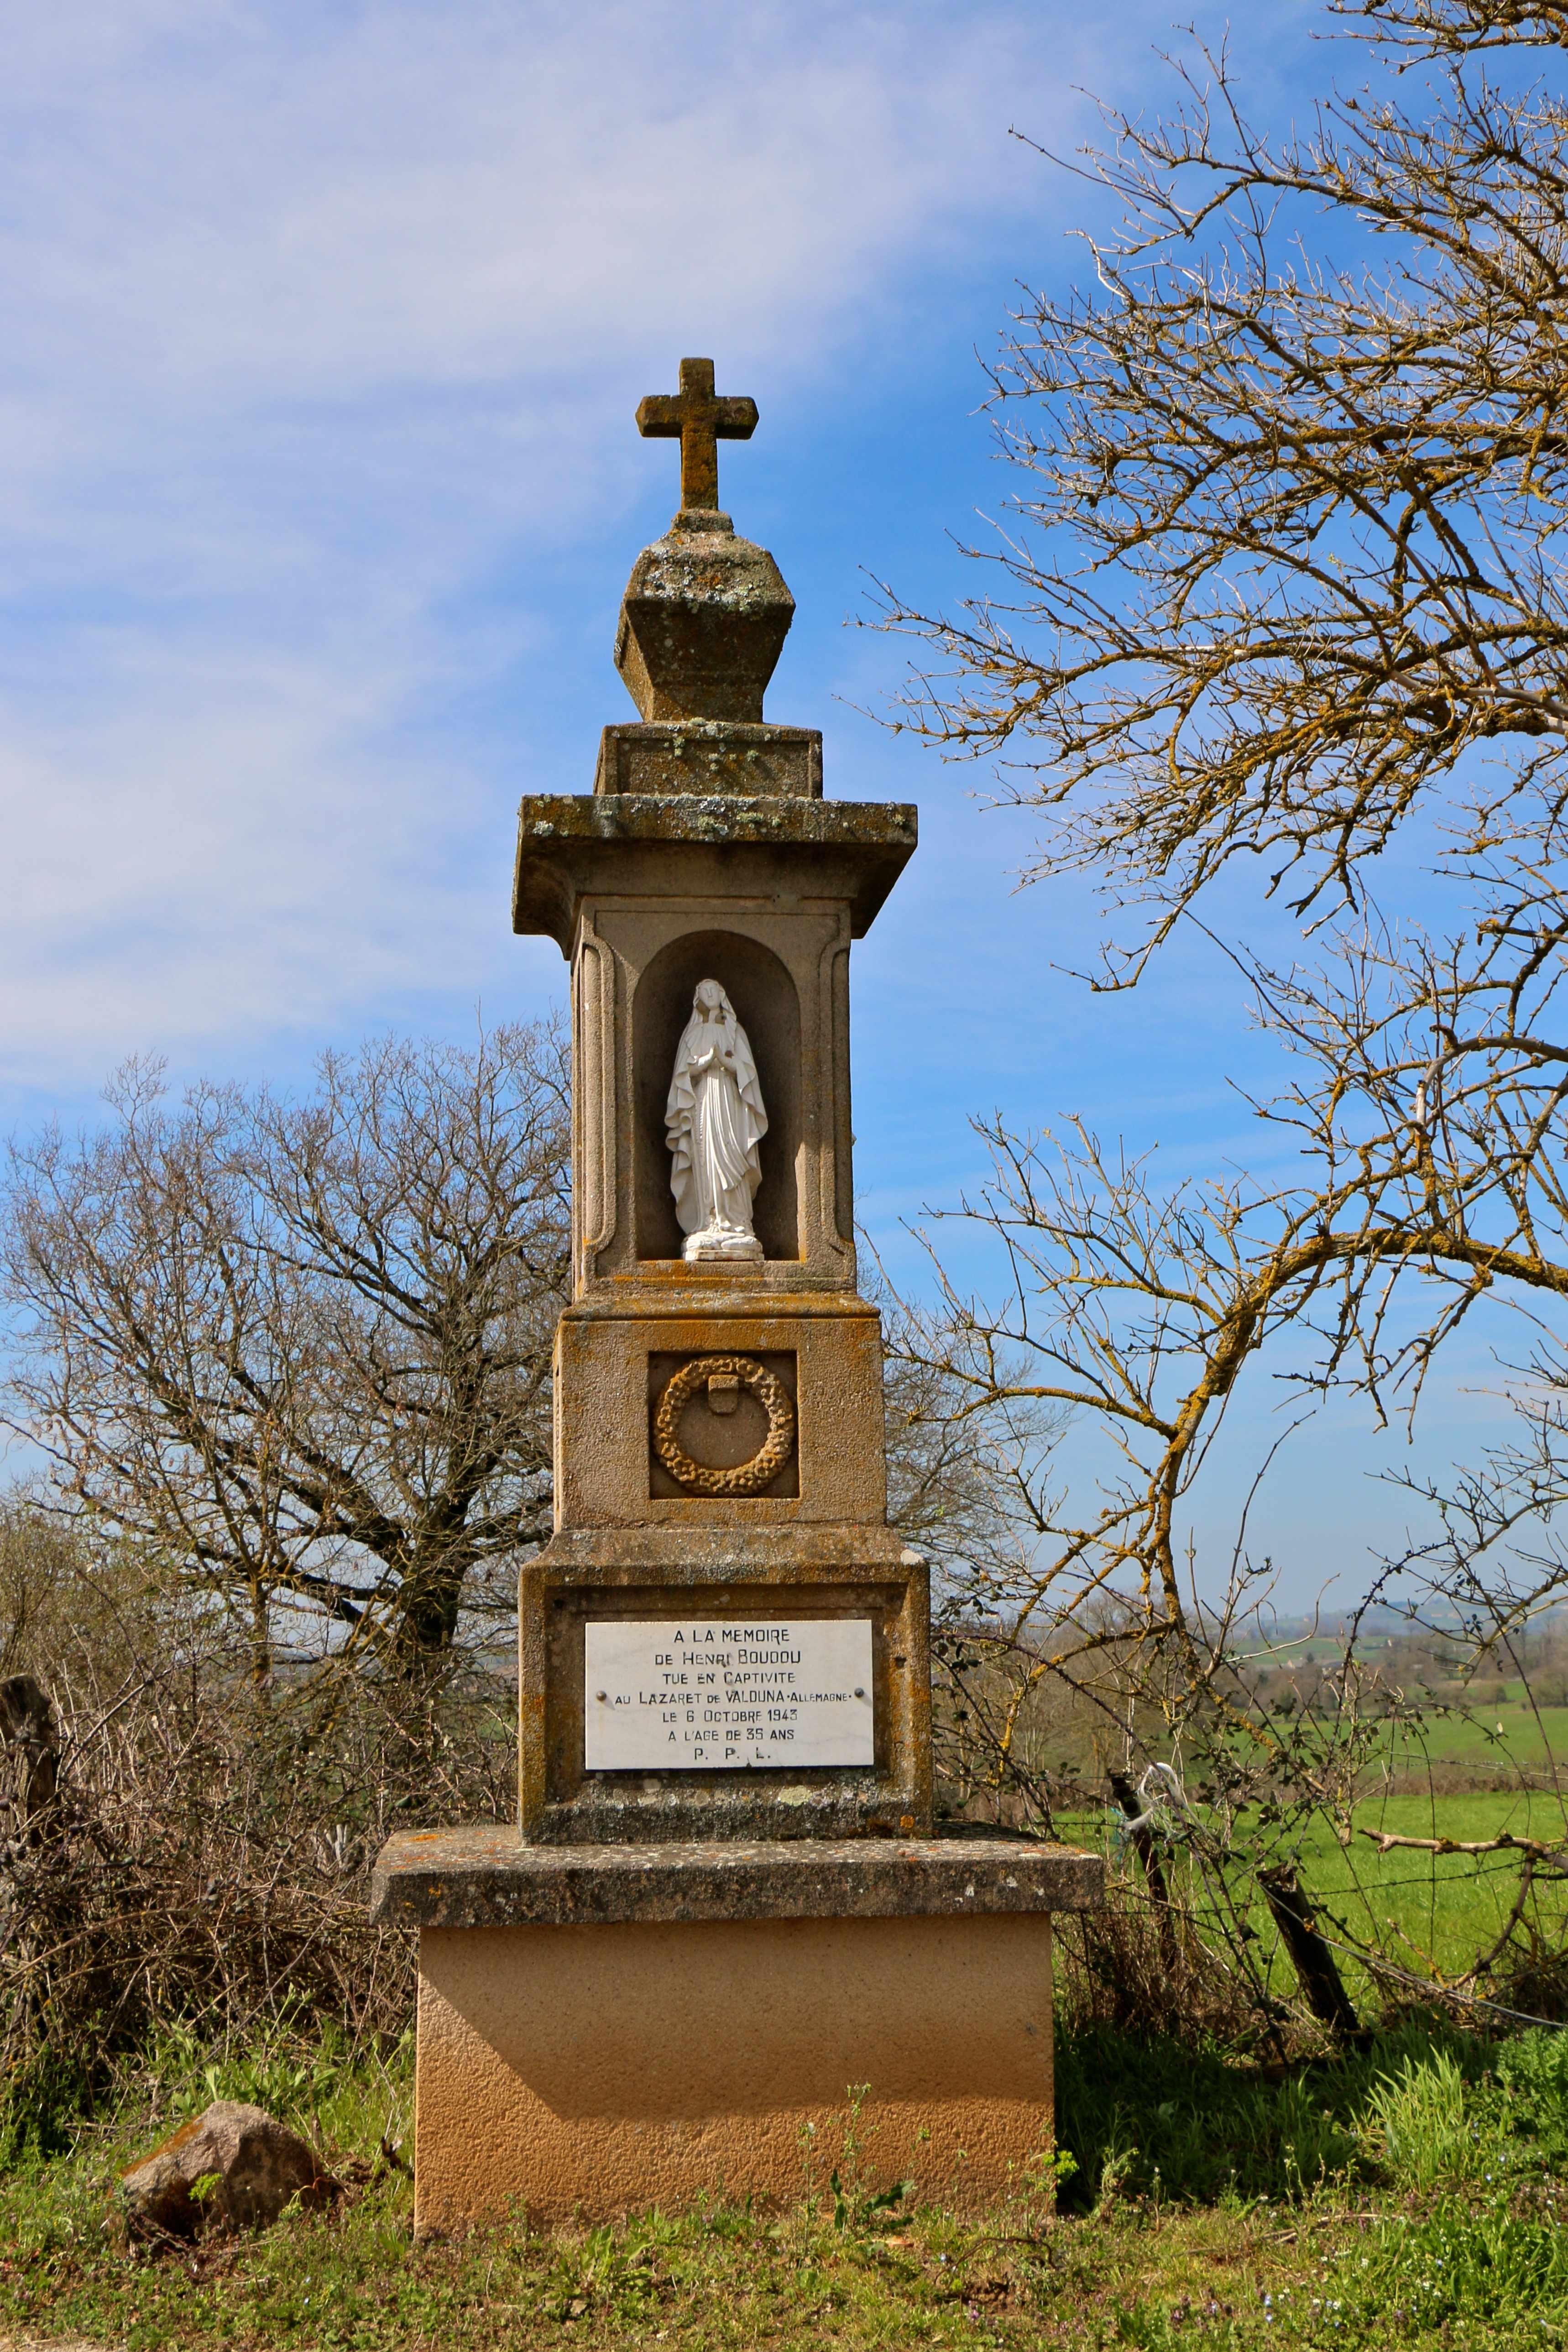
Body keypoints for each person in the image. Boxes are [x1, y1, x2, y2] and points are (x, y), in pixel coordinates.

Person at [664, 979, 767, 1260]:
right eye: (704, 991)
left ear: (722, 994)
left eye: (714, 990)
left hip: (731, 1101)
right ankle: (709, 1219)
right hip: (703, 1101)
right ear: (698, 997)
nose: (710, 995)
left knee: (732, 1154)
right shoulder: (692, 1033)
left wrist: (724, 1060)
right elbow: (682, 1076)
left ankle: (737, 1222)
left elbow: (747, 1072)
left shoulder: (735, 1032)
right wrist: (704, 1063)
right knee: (707, 1157)